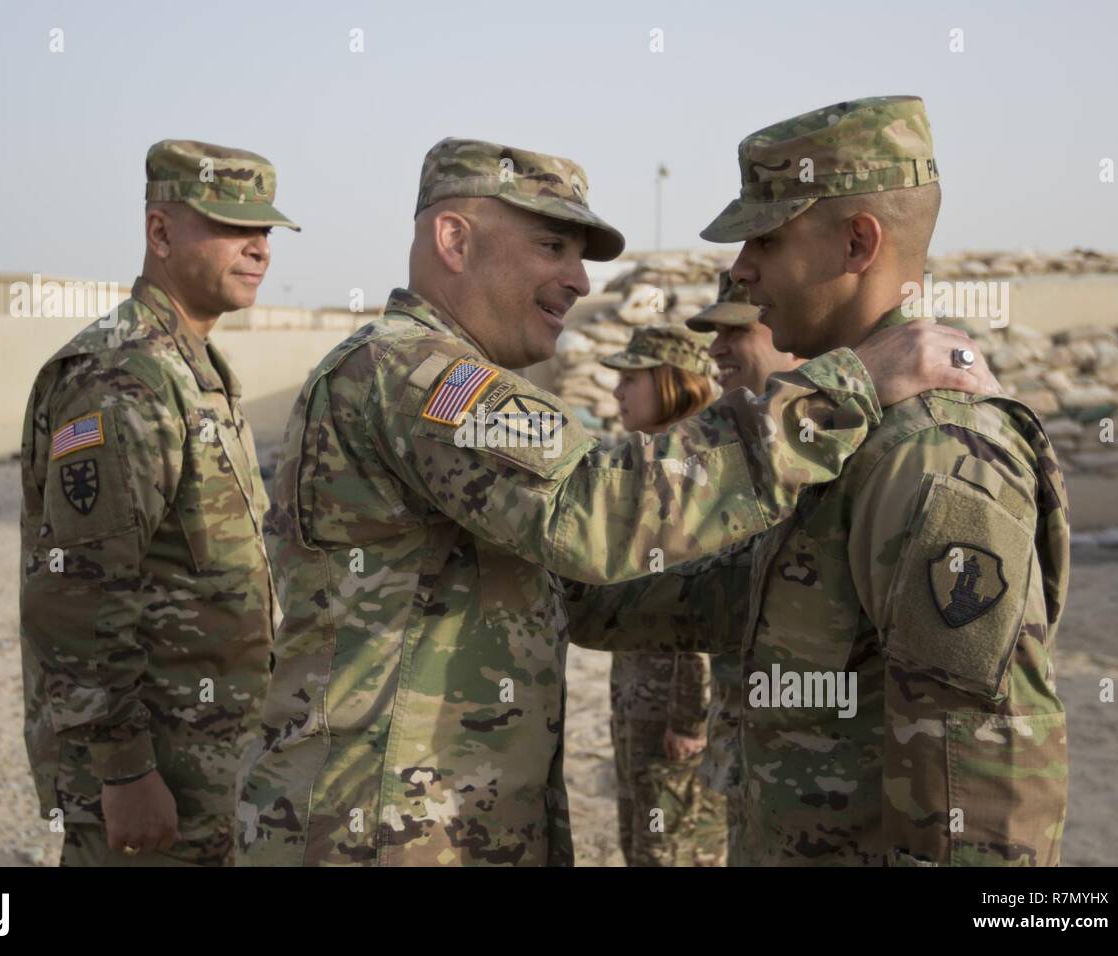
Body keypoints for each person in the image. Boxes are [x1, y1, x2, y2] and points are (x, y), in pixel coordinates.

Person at [237, 135, 997, 866]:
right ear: (454, 240)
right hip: (377, 834)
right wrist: (844, 390)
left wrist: (802, 577)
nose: (580, 281)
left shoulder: (441, 382)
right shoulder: (411, 372)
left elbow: (588, 595)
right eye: (552, 247)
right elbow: (591, 514)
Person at [574, 95, 1070, 866]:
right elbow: (706, 596)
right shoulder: (839, 431)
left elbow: (985, 782)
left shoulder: (932, 452)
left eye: (765, 239)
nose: (743, 269)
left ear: (858, 242)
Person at [18, 140, 297, 866]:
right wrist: (124, 770)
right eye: (234, 227)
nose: (259, 248)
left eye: (266, 231)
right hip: (155, 771)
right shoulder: (125, 377)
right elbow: (75, 591)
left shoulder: (193, 368)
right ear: (161, 232)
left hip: (209, 758)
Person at [598, 324, 728, 867]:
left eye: (631, 378)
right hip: (637, 693)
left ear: (672, 383)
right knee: (642, 842)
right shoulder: (648, 462)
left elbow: (705, 609)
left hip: (673, 711)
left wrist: (689, 719)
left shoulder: (692, 473)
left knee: (673, 850)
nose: (617, 392)